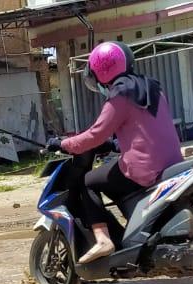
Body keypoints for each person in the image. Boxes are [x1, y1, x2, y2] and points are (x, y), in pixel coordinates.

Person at [48, 41, 183, 264]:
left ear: (101, 71)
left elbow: (94, 135)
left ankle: (103, 240)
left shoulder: (120, 95)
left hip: (144, 168)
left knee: (89, 181)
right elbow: (147, 130)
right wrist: (115, 145)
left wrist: (63, 143)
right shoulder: (151, 87)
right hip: (171, 162)